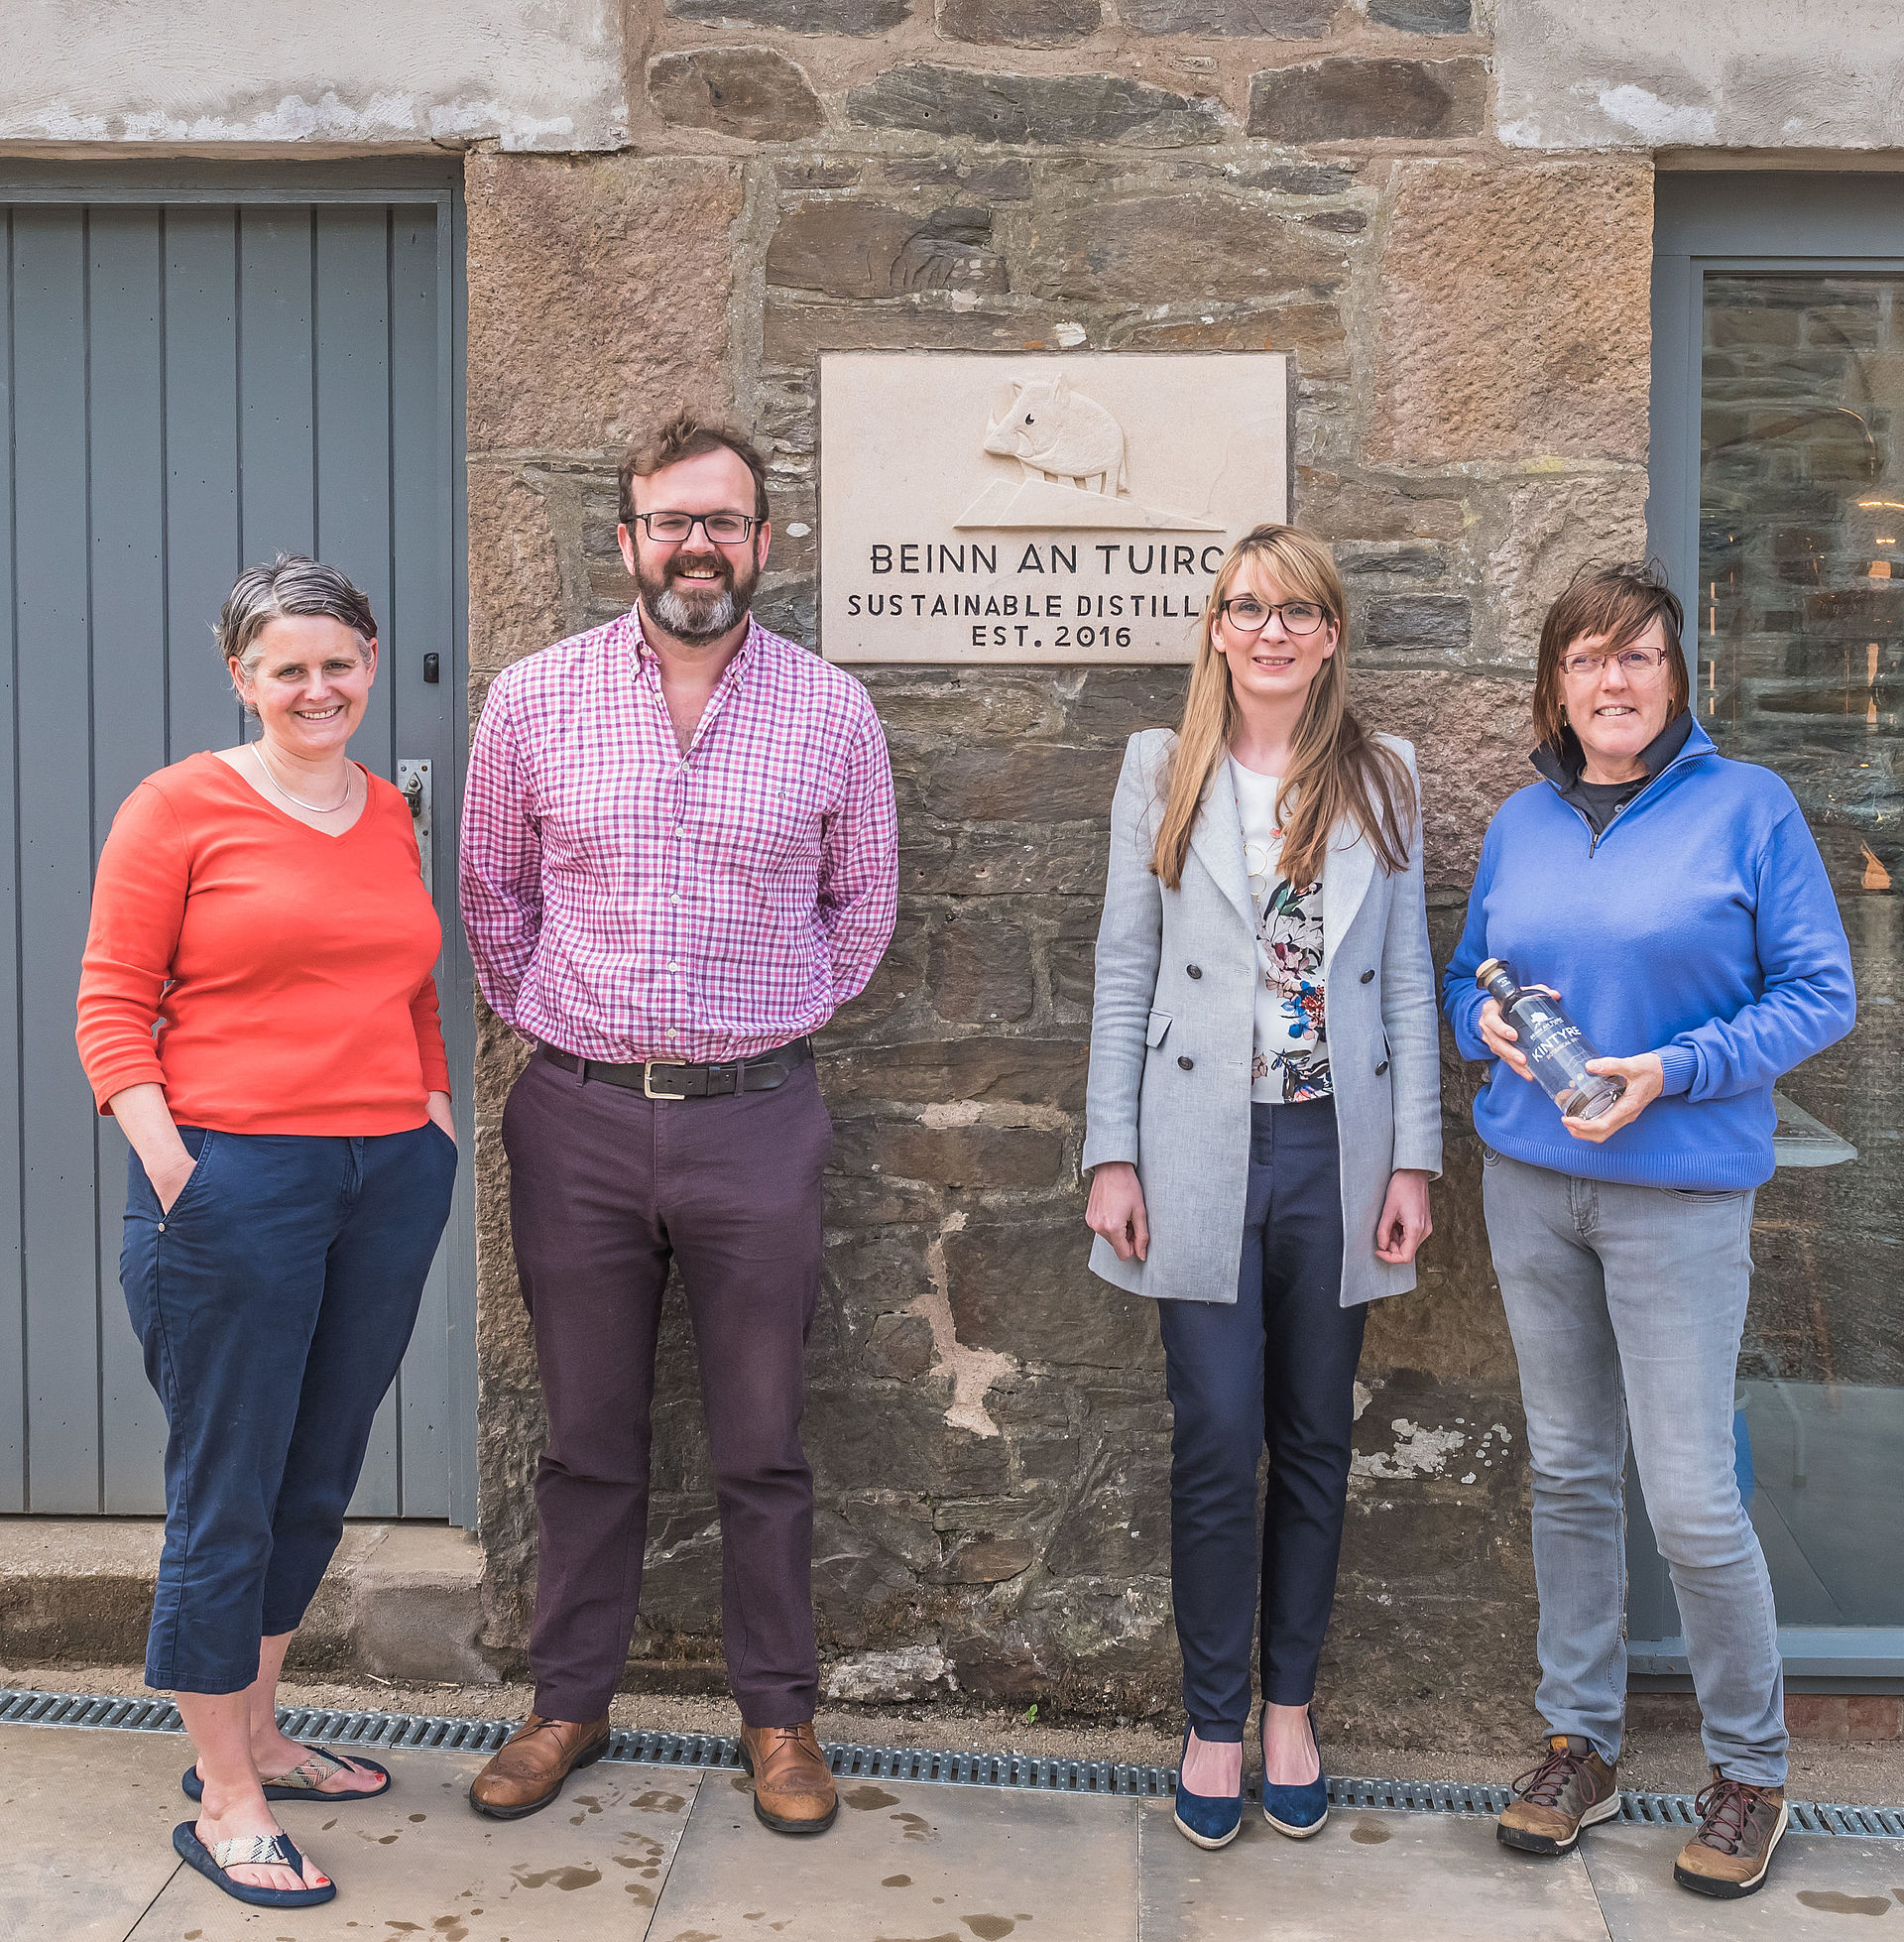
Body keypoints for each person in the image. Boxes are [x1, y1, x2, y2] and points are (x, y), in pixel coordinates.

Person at [460, 411, 897, 1836]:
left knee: (763, 1442)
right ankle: (566, 1701)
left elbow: (863, 912)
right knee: (587, 1435)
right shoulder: (532, 700)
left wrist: (755, 1025)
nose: (696, 544)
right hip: (577, 1116)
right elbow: (493, 898)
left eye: (723, 520)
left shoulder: (831, 710)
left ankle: (779, 1716)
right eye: (670, 520)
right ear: (630, 540)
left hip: (757, 1120)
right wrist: (579, 1027)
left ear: (763, 543)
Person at [1443, 561, 1855, 1900]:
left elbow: (1820, 995)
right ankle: (1582, 1739)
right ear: (1555, 686)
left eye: (1635, 657)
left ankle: (1750, 1767)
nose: (1611, 681)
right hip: (1530, 1180)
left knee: (1686, 1493)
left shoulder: (1751, 809)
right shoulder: (1521, 819)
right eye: (1585, 660)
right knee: (1567, 1468)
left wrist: (1668, 1070)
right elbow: (1465, 980)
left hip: (1679, 1188)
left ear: (1675, 676)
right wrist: (1484, 1025)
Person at [74, 555, 459, 1911]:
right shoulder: (179, 806)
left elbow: (412, 984)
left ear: (370, 663)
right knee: (225, 1481)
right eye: (286, 668)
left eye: (339, 663)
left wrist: (430, 1115)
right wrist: (181, 1167)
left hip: (385, 1180)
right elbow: (111, 1004)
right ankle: (224, 1795)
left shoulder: (385, 814)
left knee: (317, 1468)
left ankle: (263, 1730)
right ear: (242, 676)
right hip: (234, 1179)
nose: (317, 688)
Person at [1084, 523, 1441, 1851]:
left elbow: (1403, 976)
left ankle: (1291, 1705)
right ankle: (1214, 1719)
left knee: (1316, 1437)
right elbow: (1126, 963)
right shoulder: (1158, 770)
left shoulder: (1381, 776)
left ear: (1331, 634)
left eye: (1299, 610)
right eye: (1249, 607)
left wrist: (1414, 1156)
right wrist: (1108, 1150)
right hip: (1194, 1146)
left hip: (1330, 1148)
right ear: (1218, 629)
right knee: (1215, 1433)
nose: (1273, 629)